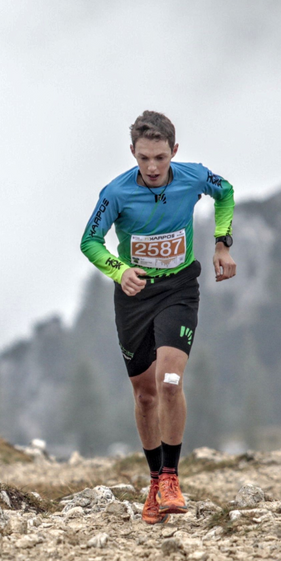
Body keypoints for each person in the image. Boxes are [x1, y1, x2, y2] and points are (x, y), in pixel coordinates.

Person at [81, 110, 236, 524]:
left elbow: (225, 191)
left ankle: (170, 477)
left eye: (161, 158)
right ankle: (153, 482)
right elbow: (90, 241)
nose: (152, 167)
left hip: (178, 289)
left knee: (169, 380)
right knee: (145, 395)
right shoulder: (116, 193)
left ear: (174, 151)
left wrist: (222, 243)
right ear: (133, 152)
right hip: (134, 295)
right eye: (144, 158)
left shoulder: (193, 176)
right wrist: (119, 271)